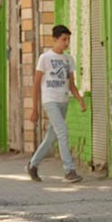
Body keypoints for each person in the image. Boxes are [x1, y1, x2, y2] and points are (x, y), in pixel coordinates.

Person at [27, 25, 87, 183]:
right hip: (50, 101)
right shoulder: (45, 58)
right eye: (63, 39)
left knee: (51, 138)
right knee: (63, 132)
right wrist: (34, 109)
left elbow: (71, 85)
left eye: (68, 39)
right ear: (55, 39)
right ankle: (69, 170)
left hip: (63, 102)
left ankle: (33, 165)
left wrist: (80, 100)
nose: (66, 43)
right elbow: (36, 84)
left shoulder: (68, 60)